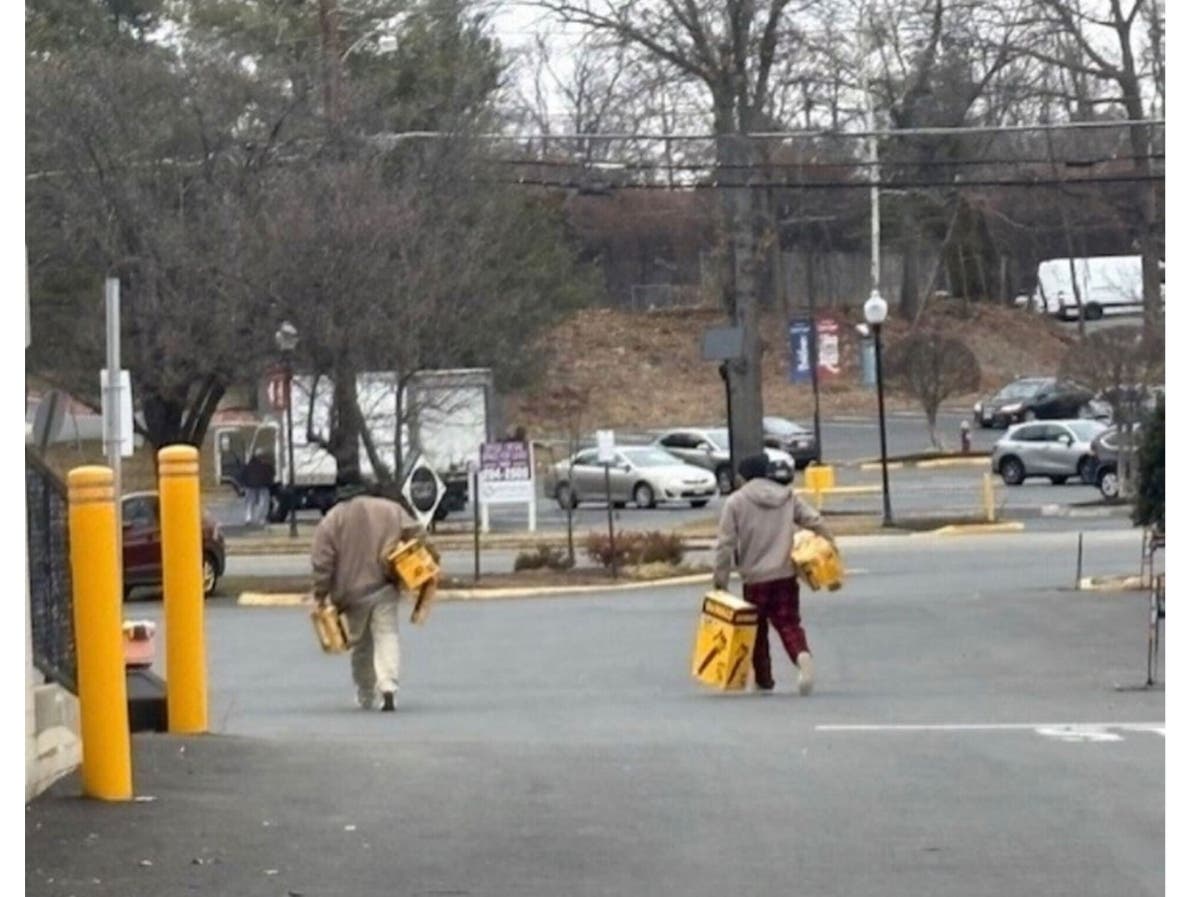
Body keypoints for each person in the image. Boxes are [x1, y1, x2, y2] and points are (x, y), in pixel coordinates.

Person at [713, 452, 836, 695]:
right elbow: (814, 520)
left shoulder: (736, 502)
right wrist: (830, 544)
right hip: (785, 574)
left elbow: (725, 544)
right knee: (789, 623)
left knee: (757, 631)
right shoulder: (787, 497)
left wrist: (721, 581)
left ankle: (764, 680)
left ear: (744, 476)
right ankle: (802, 657)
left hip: (754, 578)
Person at [311, 471, 425, 712]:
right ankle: (388, 686)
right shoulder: (390, 510)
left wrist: (320, 594)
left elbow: (322, 562)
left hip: (352, 593)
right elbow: (418, 534)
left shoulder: (332, 520)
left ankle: (365, 692)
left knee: (362, 644)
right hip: (385, 584)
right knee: (387, 634)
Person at [241, 451, 274, 526]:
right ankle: (261, 519)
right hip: (263, 485)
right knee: (263, 503)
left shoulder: (248, 466)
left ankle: (248, 518)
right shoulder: (266, 466)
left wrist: (243, 485)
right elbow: (271, 474)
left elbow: (243, 475)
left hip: (250, 486)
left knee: (249, 502)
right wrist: (270, 483)